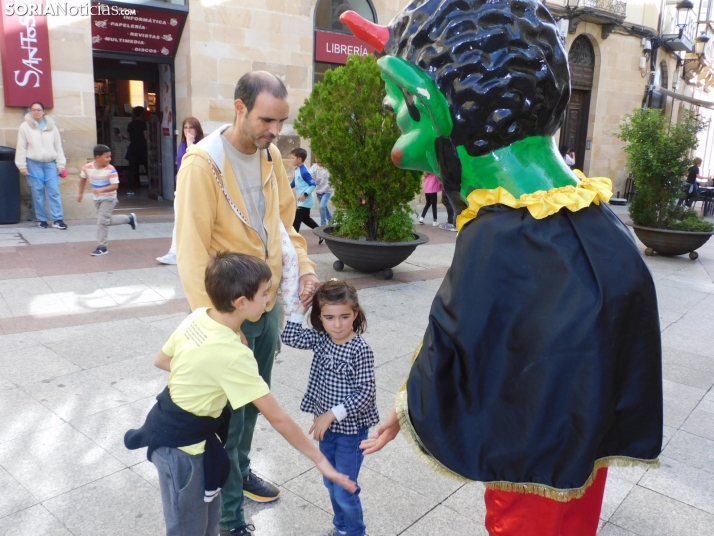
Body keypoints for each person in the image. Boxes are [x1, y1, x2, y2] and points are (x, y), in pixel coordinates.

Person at [341, 3, 662, 536]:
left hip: (529, 453)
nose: (388, 108)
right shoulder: (605, 221)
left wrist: (405, 406)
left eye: (393, 96)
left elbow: (455, 335)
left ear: (426, 104)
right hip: (586, 444)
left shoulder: (498, 234)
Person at [175, 71, 320, 536]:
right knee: (230, 422)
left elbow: (284, 224)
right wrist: (219, 326)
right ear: (239, 108)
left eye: (281, 121)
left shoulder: (271, 155)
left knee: (250, 410)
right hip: (230, 315)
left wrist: (307, 266)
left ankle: (240, 472)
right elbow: (192, 251)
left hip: (265, 309)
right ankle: (231, 519)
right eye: (266, 120)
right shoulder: (202, 164)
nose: (275, 131)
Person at [124, 252, 355, 536]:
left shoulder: (199, 317)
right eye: (264, 294)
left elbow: (161, 360)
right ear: (241, 303)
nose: (269, 300)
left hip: (182, 436)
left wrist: (204, 378)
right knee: (188, 528)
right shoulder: (234, 355)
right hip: (182, 451)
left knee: (208, 519)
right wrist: (320, 460)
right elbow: (277, 417)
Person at [281, 280, 378, 536]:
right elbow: (289, 336)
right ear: (320, 318)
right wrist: (301, 307)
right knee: (330, 481)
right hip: (326, 429)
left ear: (355, 314)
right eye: (329, 317)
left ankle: (355, 533)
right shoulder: (321, 338)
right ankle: (341, 529)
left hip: (350, 431)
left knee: (345, 488)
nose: (337, 324)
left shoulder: (360, 350)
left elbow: (366, 393)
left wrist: (331, 414)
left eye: (344, 316)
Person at [157, 117, 205, 265]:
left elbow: (195, 161)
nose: (188, 131)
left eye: (191, 128)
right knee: (179, 221)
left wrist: (191, 143)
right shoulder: (183, 145)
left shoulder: (202, 146)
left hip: (197, 189)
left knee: (199, 222)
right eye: (185, 128)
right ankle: (174, 253)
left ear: (197, 130)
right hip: (183, 187)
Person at [15, 101, 68, 230]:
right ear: (31, 112)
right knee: (37, 192)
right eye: (33, 110)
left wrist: (60, 164)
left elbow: (58, 147)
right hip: (33, 163)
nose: (36, 112)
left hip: (50, 163)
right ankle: (42, 219)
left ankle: (57, 219)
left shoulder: (52, 127)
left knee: (54, 191)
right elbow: (21, 147)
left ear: (44, 111)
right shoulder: (25, 127)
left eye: (39, 109)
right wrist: (22, 166)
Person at [77, 144, 137, 256]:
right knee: (105, 220)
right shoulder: (87, 167)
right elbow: (83, 179)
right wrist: (80, 193)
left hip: (109, 198)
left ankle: (102, 247)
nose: (109, 159)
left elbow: (115, 186)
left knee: (101, 222)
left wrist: (101, 189)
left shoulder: (111, 169)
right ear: (98, 157)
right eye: (107, 157)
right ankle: (129, 219)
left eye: (110, 156)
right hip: (97, 198)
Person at [290, 147, 319, 233]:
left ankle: (294, 241)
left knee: (296, 221)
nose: (290, 160)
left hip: (305, 200)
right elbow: (294, 183)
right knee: (306, 219)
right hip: (302, 201)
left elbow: (313, 184)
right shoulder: (297, 169)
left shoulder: (304, 171)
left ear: (299, 159)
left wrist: (304, 194)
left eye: (292, 158)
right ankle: (321, 233)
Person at [126, 106, 148, 196]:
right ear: (142, 114)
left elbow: (128, 137)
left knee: (131, 169)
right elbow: (146, 136)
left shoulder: (130, 124)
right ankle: (152, 186)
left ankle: (130, 188)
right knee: (147, 167)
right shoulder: (144, 124)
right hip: (143, 147)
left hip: (133, 147)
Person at [311, 156, 334, 227]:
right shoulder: (314, 167)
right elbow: (309, 175)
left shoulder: (328, 167)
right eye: (317, 161)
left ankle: (323, 225)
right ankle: (330, 218)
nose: (318, 163)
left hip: (327, 190)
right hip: (318, 190)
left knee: (321, 206)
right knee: (324, 207)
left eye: (320, 162)